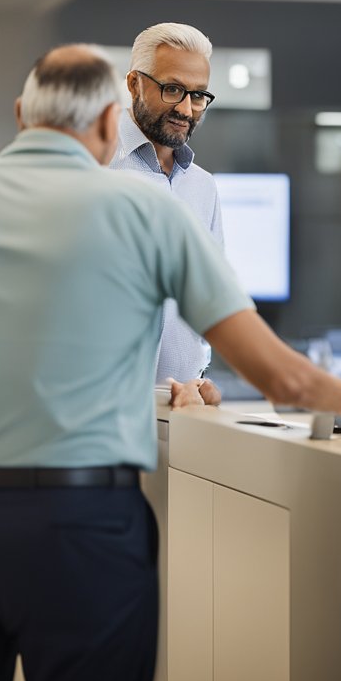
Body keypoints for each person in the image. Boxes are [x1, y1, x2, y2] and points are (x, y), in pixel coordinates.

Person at [0, 44, 341, 681]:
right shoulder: (147, 210)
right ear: (107, 121)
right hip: (80, 525)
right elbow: (275, 373)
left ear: (21, 114)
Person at [110, 22, 224, 405]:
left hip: (183, 408)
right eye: (172, 89)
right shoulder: (94, 167)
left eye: (198, 95)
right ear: (134, 84)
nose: (186, 109)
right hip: (103, 409)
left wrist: (201, 374)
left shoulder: (203, 187)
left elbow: (211, 296)